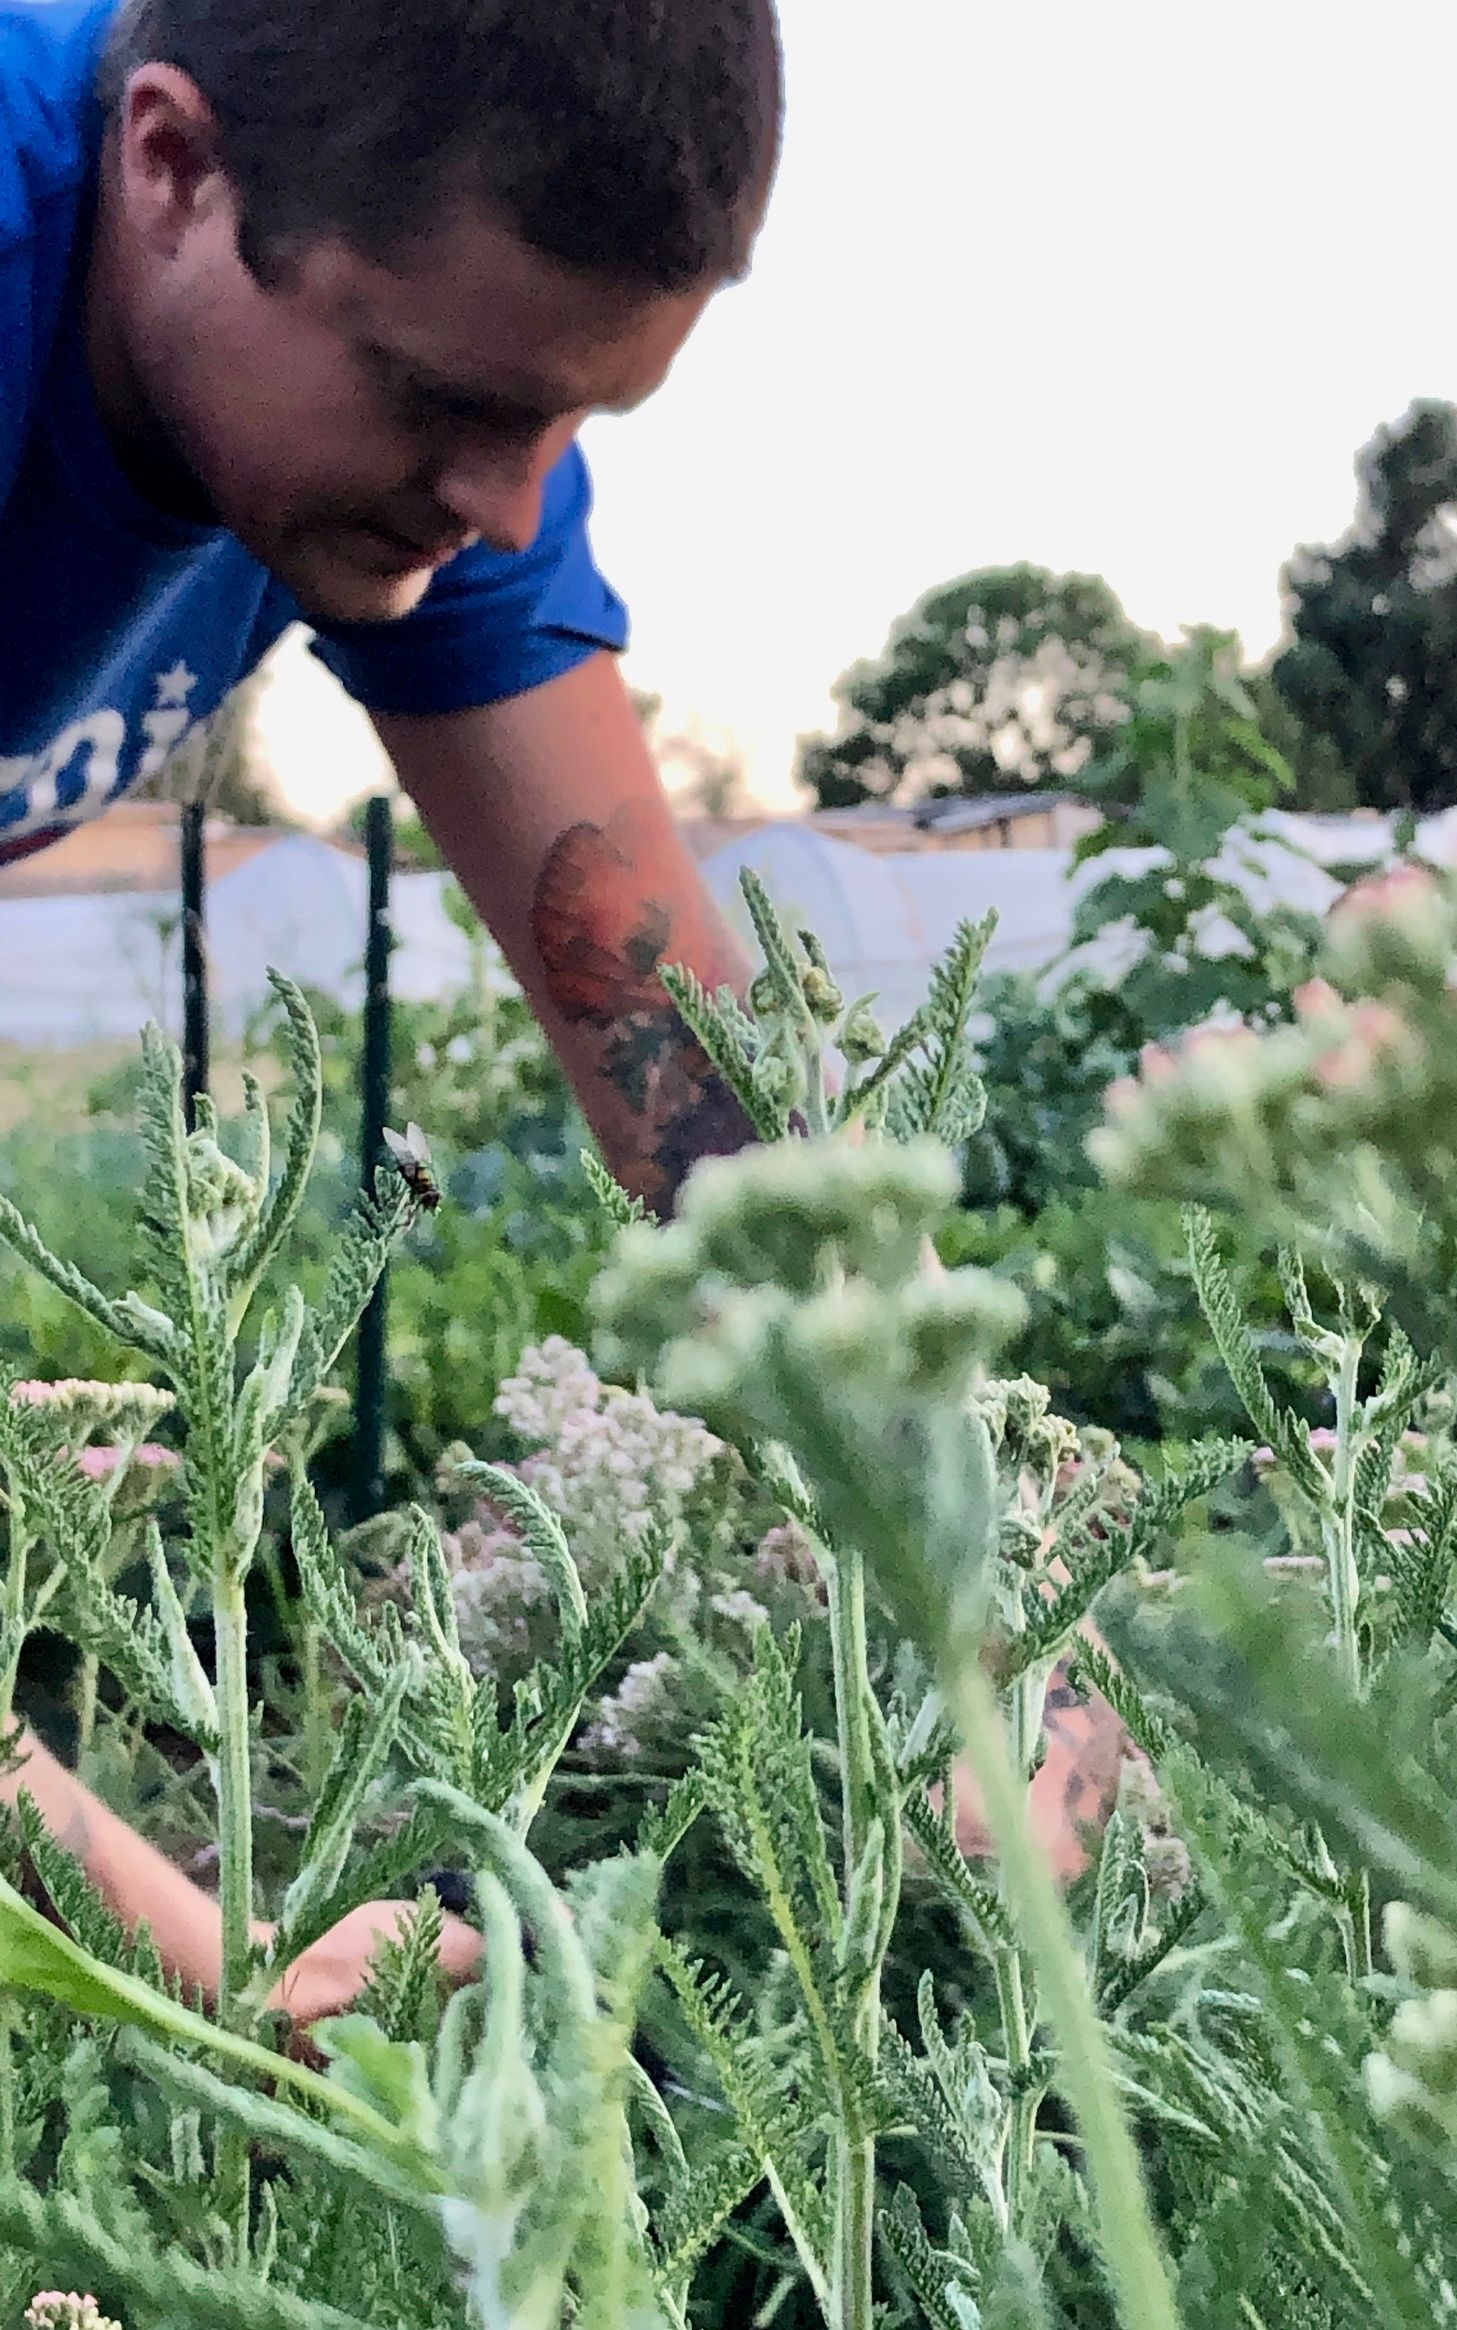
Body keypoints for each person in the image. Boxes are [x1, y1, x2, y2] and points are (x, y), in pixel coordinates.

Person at [1, 0, 779, 2019]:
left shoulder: (434, 476)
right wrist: (192, 1954)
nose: (510, 507)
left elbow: (696, 1090)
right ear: (172, 168)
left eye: (571, 422)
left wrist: (983, 1607)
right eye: (444, 396)